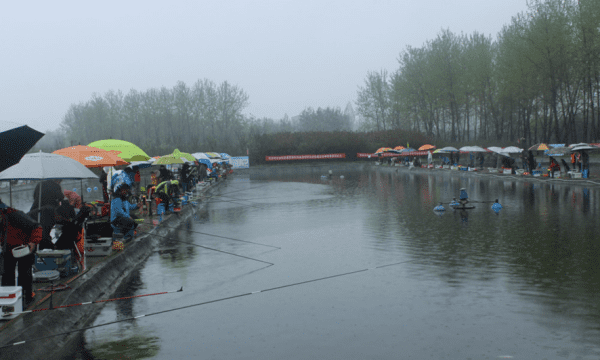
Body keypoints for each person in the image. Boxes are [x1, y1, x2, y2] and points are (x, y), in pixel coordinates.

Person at [1, 201, 43, 307]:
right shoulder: (3, 218)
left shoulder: (15, 214)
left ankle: (26, 297)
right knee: (6, 274)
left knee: (24, 273)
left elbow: (37, 227)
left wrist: (33, 242)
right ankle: (8, 298)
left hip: (24, 247)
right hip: (8, 248)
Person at [28, 179, 64, 250]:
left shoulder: (39, 184)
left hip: (36, 211)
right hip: (48, 212)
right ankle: (46, 243)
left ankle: (40, 243)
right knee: (46, 229)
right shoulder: (56, 185)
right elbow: (61, 197)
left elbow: (35, 196)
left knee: (39, 229)